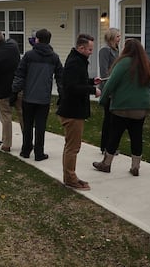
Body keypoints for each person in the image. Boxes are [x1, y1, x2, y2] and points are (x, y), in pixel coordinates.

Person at [93, 38, 150, 176]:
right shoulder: (146, 64)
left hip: (122, 107)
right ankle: (135, 167)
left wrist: (102, 99)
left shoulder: (123, 62)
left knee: (115, 135)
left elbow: (111, 83)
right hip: (141, 108)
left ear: (126, 49)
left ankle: (106, 164)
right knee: (136, 136)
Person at [57, 33, 101, 191]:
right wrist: (92, 90)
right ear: (81, 48)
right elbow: (71, 87)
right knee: (73, 147)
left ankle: (70, 176)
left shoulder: (78, 60)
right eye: (89, 49)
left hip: (74, 110)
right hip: (72, 111)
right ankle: (70, 178)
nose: (91, 52)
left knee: (71, 145)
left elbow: (76, 81)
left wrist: (90, 81)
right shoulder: (75, 62)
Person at [12, 28, 63, 160]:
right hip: (44, 98)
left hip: (28, 96)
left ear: (37, 40)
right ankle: (39, 153)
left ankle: (26, 150)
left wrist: (14, 91)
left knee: (27, 124)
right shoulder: (54, 57)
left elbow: (20, 74)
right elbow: (60, 77)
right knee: (40, 126)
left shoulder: (29, 56)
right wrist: (62, 94)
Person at [98, 27, 121, 154]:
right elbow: (104, 72)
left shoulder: (116, 50)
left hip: (115, 89)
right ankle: (105, 146)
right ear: (111, 37)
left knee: (114, 119)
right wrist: (109, 89)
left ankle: (111, 146)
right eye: (117, 36)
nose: (119, 38)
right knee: (108, 119)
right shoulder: (105, 50)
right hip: (108, 89)